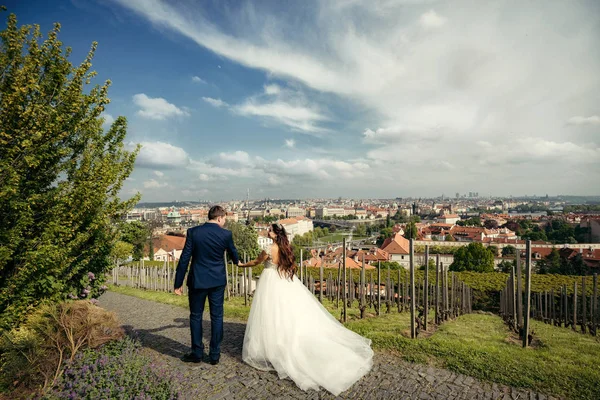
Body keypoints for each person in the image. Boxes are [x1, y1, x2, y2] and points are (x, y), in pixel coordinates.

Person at [239, 223, 373, 395]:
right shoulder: (284, 248)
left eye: (270, 230)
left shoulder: (269, 249)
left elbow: (256, 262)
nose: (268, 231)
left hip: (270, 281)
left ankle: (273, 344)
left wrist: (242, 265)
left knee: (270, 313)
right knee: (286, 312)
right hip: (283, 280)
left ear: (274, 235)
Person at [174, 205, 239, 365]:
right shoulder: (226, 234)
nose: (224, 222)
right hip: (217, 281)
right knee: (217, 317)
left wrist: (178, 282)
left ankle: (197, 353)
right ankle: (215, 354)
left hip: (198, 280)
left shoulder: (194, 232)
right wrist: (238, 262)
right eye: (224, 219)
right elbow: (233, 253)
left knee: (196, 316)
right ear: (219, 218)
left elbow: (184, 259)